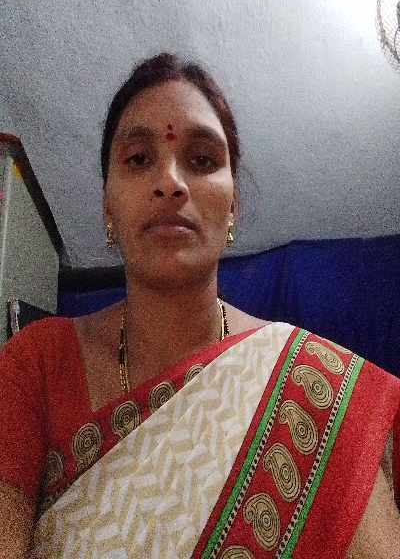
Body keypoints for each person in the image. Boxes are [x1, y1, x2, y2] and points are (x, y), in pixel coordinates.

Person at [0, 52, 399, 558]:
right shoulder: (37, 363)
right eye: (138, 159)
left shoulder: (315, 390)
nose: (170, 182)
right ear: (107, 206)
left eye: (203, 160)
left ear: (233, 206)